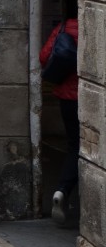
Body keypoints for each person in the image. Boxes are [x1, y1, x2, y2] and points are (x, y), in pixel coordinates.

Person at [40, 14, 79, 224]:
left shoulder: (64, 27)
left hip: (67, 98)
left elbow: (44, 56)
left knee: (75, 146)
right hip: (88, 96)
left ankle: (62, 190)